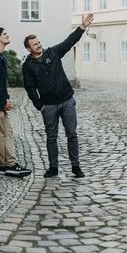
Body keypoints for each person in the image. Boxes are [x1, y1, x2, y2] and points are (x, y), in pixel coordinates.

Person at [22, 14, 94, 178]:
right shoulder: (28, 66)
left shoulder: (53, 53)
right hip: (48, 106)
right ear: (29, 49)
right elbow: (30, 87)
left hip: (67, 100)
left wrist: (82, 27)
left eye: (39, 42)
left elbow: (69, 42)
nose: (39, 45)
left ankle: (75, 166)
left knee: (72, 134)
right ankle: (53, 167)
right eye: (35, 44)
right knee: (51, 137)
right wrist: (39, 105)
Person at [0, 27, 32, 177]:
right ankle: (9, 165)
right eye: (4, 34)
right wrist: (3, 101)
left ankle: (6, 165)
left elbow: (0, 83)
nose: (7, 35)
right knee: (0, 135)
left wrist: (5, 100)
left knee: (7, 132)